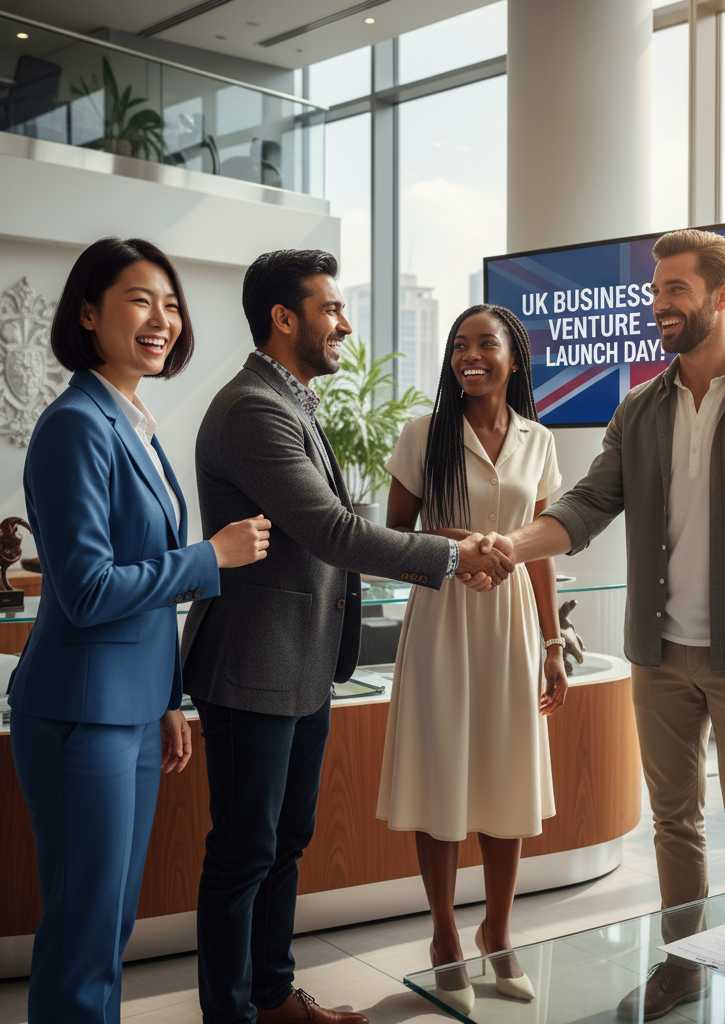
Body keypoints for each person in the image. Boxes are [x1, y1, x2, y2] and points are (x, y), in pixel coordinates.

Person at [499, 228, 725, 1023]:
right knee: (674, 823)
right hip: (657, 655)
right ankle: (686, 967)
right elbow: (586, 507)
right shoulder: (639, 409)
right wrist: (515, 546)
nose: (658, 305)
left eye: (674, 290)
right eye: (655, 292)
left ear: (723, 297)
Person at [180, 251, 514, 1024]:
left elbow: (333, 528)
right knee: (242, 856)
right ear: (283, 319)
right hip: (253, 663)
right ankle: (233, 1014)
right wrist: (449, 554)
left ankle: (274, 997)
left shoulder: (288, 401)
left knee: (286, 841)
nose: (345, 323)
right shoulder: (254, 409)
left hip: (296, 661)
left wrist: (442, 538)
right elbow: (331, 529)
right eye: (331, 309)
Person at [7, 237, 270, 1024]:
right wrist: (210, 557)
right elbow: (85, 591)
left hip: (129, 709)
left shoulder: (134, 423)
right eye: (140, 298)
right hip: (78, 715)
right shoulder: (76, 427)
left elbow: (136, 581)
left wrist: (167, 698)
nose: (164, 318)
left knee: (108, 925)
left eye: (172, 302)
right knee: (85, 933)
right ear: (88, 314)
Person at [376, 304, 568, 1015]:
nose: (469, 355)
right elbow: (396, 535)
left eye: (485, 344)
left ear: (513, 357)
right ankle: (445, 935)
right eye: (459, 345)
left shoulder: (538, 439)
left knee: (506, 771)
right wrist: (467, 545)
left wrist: (553, 644)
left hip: (512, 624)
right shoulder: (423, 433)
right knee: (444, 770)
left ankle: (499, 929)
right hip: (444, 619)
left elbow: (543, 546)